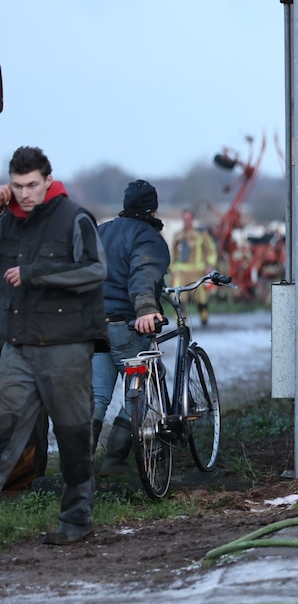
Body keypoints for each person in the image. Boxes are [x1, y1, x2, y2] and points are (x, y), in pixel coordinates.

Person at [0, 146, 108, 544]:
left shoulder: (74, 217)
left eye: (32, 185)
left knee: (72, 435)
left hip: (66, 346)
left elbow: (96, 269)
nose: (25, 193)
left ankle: (77, 520)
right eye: (17, 185)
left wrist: (36, 273)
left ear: (48, 180)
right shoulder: (7, 222)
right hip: (17, 345)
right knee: (3, 429)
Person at [91, 180, 170, 476]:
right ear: (153, 209)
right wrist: (147, 309)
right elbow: (143, 274)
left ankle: (79, 465)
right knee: (143, 388)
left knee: (98, 395)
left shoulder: (102, 232)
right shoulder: (147, 237)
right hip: (126, 326)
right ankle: (115, 459)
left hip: (95, 326)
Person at [169, 208, 217, 326]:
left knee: (201, 299)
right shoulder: (178, 236)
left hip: (198, 272)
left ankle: (204, 320)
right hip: (181, 272)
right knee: (178, 298)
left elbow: (211, 251)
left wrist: (209, 265)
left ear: (193, 219)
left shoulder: (201, 235)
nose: (187, 221)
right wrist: (172, 270)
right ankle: (181, 324)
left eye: (189, 219)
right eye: (185, 219)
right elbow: (173, 254)